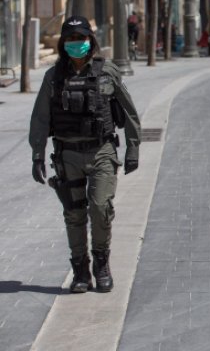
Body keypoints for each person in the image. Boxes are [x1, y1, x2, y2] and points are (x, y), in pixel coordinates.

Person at [29, 16, 141, 293]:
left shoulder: (107, 71)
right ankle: (80, 270)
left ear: (90, 41)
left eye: (80, 38)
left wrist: (133, 148)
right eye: (70, 39)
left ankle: (101, 264)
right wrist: (37, 155)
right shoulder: (53, 77)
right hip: (67, 154)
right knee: (74, 214)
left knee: (100, 208)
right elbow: (40, 117)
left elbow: (129, 111)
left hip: (101, 151)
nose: (75, 43)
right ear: (62, 43)